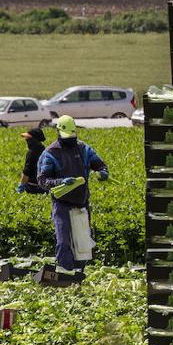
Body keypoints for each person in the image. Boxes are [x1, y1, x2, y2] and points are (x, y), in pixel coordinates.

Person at [36, 115, 109, 278]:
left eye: (72, 135)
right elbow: (42, 180)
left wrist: (103, 172)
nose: (70, 139)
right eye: (67, 136)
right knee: (64, 242)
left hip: (81, 202)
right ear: (59, 132)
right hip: (62, 204)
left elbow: (99, 164)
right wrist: (61, 181)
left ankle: (78, 277)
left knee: (82, 244)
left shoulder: (83, 148)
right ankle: (64, 276)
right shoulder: (50, 153)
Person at [16, 127, 48, 194]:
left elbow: (27, 172)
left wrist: (21, 186)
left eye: (28, 138)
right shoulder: (44, 150)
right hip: (44, 187)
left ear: (33, 139)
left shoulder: (31, 153)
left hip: (33, 188)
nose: (26, 139)